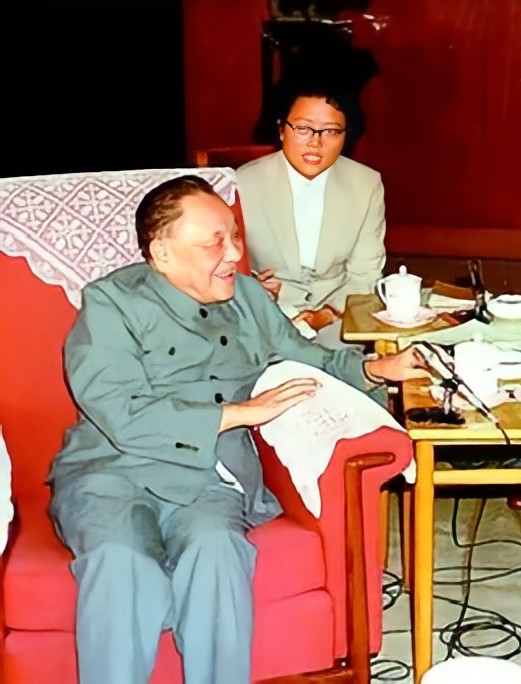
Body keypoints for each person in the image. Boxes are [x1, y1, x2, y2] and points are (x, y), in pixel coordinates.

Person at [48, 176, 423, 684]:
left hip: (209, 472)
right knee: (119, 563)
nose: (233, 253)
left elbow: (309, 358)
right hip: (111, 470)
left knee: (217, 551)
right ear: (162, 253)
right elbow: (119, 409)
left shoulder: (247, 296)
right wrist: (242, 414)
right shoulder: (111, 303)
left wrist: (379, 370)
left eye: (234, 236)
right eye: (214, 242)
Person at [237, 78, 386, 348]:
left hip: (338, 312)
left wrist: (326, 314)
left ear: (345, 135)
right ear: (282, 130)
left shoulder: (366, 184)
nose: (315, 143)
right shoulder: (242, 183)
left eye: (330, 131)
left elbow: (365, 273)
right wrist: (252, 288)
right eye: (304, 129)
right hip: (265, 312)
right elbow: (223, 266)